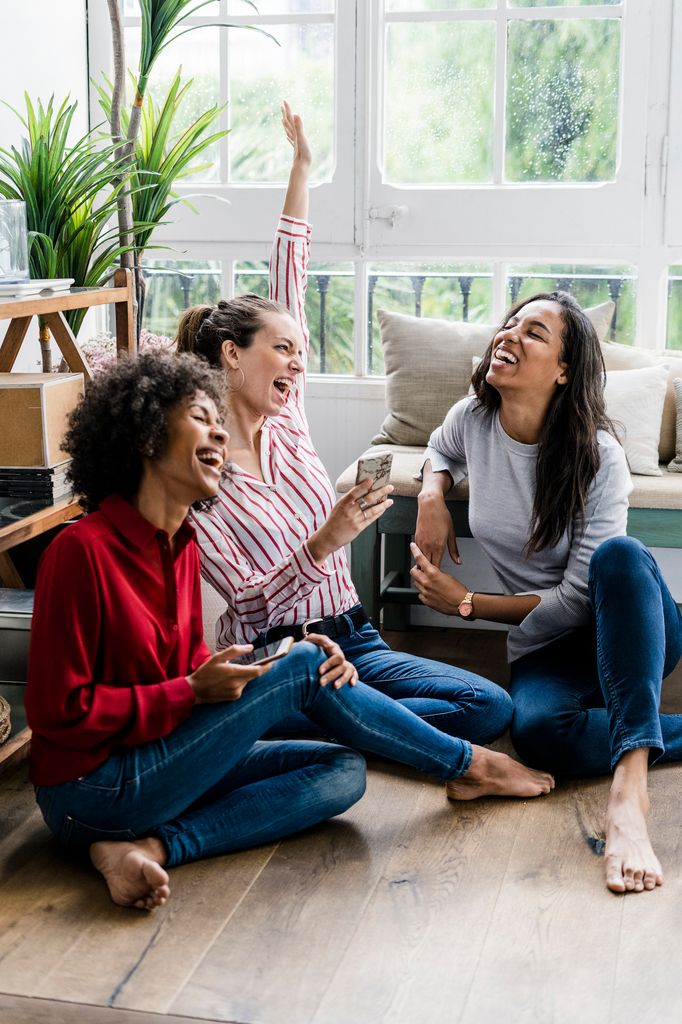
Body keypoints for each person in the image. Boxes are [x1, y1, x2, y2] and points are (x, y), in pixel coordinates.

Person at [25, 351, 554, 911]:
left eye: (218, 423)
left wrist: (257, 669)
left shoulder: (178, 546)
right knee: (305, 662)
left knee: (341, 769)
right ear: (146, 436)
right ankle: (468, 764)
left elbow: (184, 670)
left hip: (162, 764)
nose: (218, 433)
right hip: (91, 790)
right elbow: (58, 711)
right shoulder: (81, 552)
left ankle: (151, 847)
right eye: (200, 417)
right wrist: (199, 689)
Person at [176, 102, 513, 747]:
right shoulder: (197, 468)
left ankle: (342, 722)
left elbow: (290, 276)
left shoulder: (288, 420)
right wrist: (324, 543)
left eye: (300, 351)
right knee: (457, 718)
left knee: (489, 705)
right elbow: (244, 608)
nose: (298, 362)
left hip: (353, 632)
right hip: (278, 656)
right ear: (232, 354)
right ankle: (321, 714)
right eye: (283, 349)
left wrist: (302, 166)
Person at [411, 290, 682, 896]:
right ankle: (654, 727)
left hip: (628, 622)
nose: (509, 334)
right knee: (537, 735)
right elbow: (440, 446)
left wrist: (467, 603)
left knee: (619, 555)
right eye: (509, 323)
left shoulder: (599, 458)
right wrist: (432, 494)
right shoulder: (472, 419)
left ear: (564, 370)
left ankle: (630, 789)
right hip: (549, 646)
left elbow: (580, 598)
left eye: (533, 332)